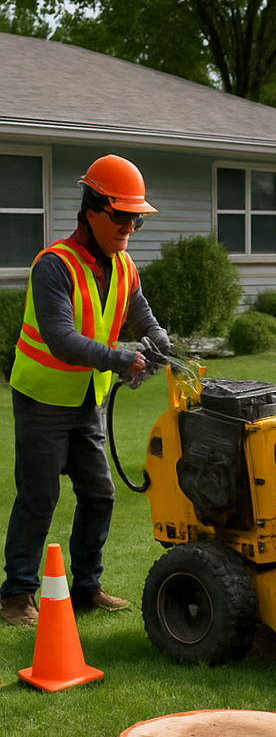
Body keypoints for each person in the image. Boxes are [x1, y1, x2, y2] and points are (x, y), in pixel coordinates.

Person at [0, 155, 170, 628]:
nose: (129, 227)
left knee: (100, 494)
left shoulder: (124, 266)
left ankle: (86, 588)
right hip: (42, 399)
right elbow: (60, 337)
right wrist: (120, 357)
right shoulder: (54, 266)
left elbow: (143, 318)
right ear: (92, 210)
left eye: (135, 219)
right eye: (121, 216)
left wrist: (160, 345)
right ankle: (16, 596)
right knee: (39, 497)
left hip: (86, 402)